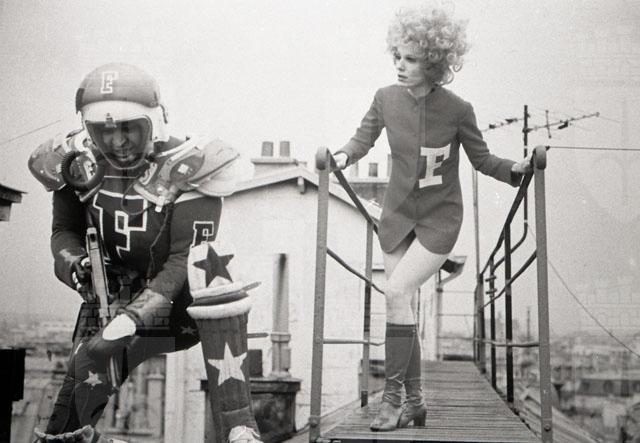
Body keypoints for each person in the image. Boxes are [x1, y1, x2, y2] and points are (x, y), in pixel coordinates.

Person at [28, 63, 262, 443]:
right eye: (104, 129)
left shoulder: (190, 166)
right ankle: (75, 434)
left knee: (215, 271)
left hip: (179, 304)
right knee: (73, 403)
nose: (117, 141)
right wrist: (75, 263)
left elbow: (182, 261)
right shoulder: (74, 163)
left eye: (128, 127)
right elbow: (64, 231)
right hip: (114, 293)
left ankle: (239, 423)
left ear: (154, 121)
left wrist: (129, 322)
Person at [333, 4, 531, 432]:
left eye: (411, 59)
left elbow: (482, 160)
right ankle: (416, 403)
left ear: (435, 62)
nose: (400, 66)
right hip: (397, 216)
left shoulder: (458, 109)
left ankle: (392, 402)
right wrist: (343, 156)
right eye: (397, 57)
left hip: (440, 220)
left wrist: (515, 170)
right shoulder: (385, 98)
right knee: (401, 301)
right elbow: (361, 139)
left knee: (396, 291)